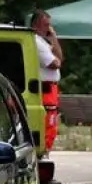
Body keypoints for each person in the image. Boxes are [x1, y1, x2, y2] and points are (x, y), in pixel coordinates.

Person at [32, 10, 63, 153]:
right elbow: (54, 63)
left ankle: (45, 151)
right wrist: (56, 59)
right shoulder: (36, 42)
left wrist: (54, 39)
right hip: (46, 89)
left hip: (52, 89)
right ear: (36, 24)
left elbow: (60, 58)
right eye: (46, 25)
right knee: (48, 123)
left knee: (52, 123)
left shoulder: (43, 42)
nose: (49, 29)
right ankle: (43, 152)